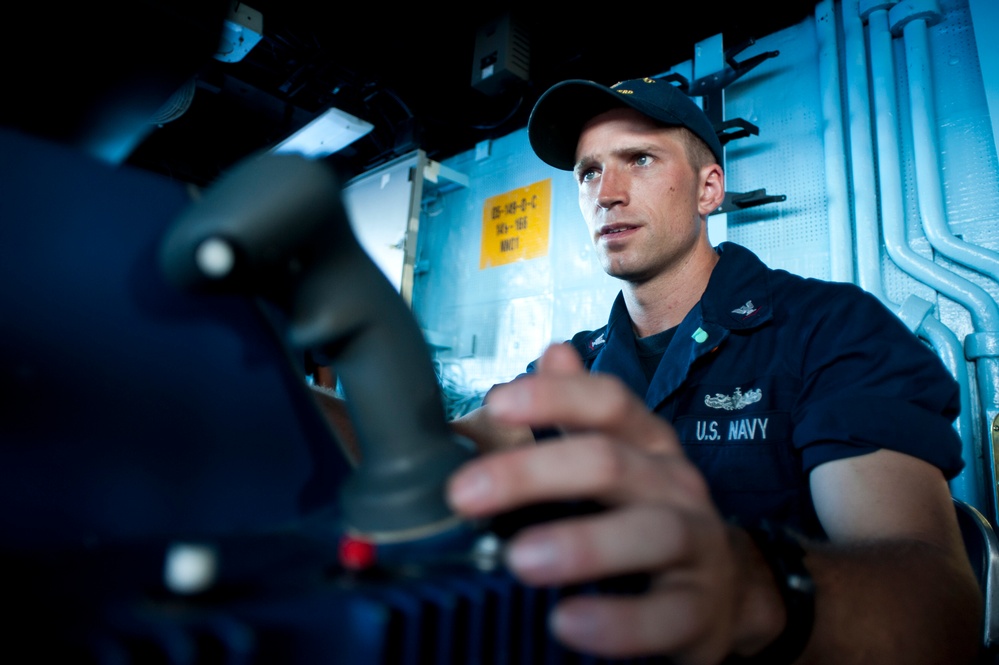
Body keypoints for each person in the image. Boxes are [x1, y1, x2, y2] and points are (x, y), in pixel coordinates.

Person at [442, 76, 983, 664]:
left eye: (640, 159)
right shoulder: (577, 365)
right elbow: (430, 451)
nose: (606, 194)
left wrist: (752, 584)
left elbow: (936, 614)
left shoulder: (830, 330)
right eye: (588, 172)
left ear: (708, 190)